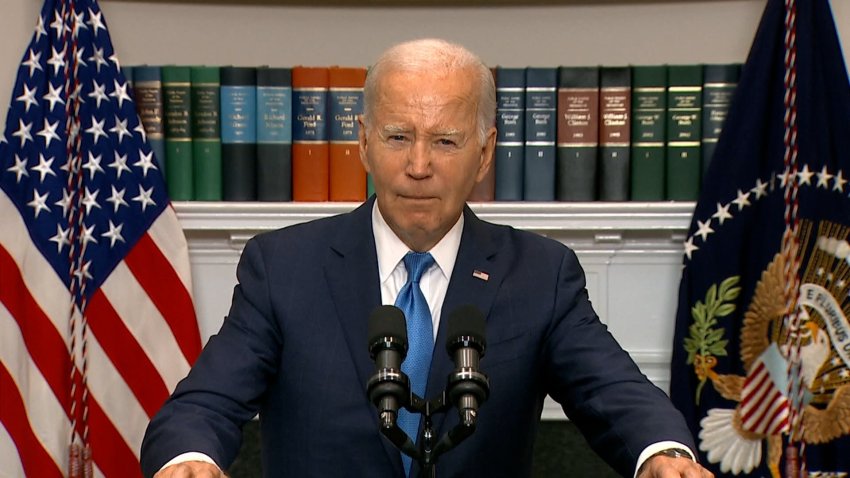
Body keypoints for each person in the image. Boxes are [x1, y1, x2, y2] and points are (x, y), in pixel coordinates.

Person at [140, 38, 713, 478]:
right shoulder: (283, 267)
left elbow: (615, 391)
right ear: (363, 141)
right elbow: (206, 402)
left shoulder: (541, 275)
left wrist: (661, 453)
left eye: (445, 141)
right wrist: (190, 457)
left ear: (485, 153)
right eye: (396, 137)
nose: (418, 165)